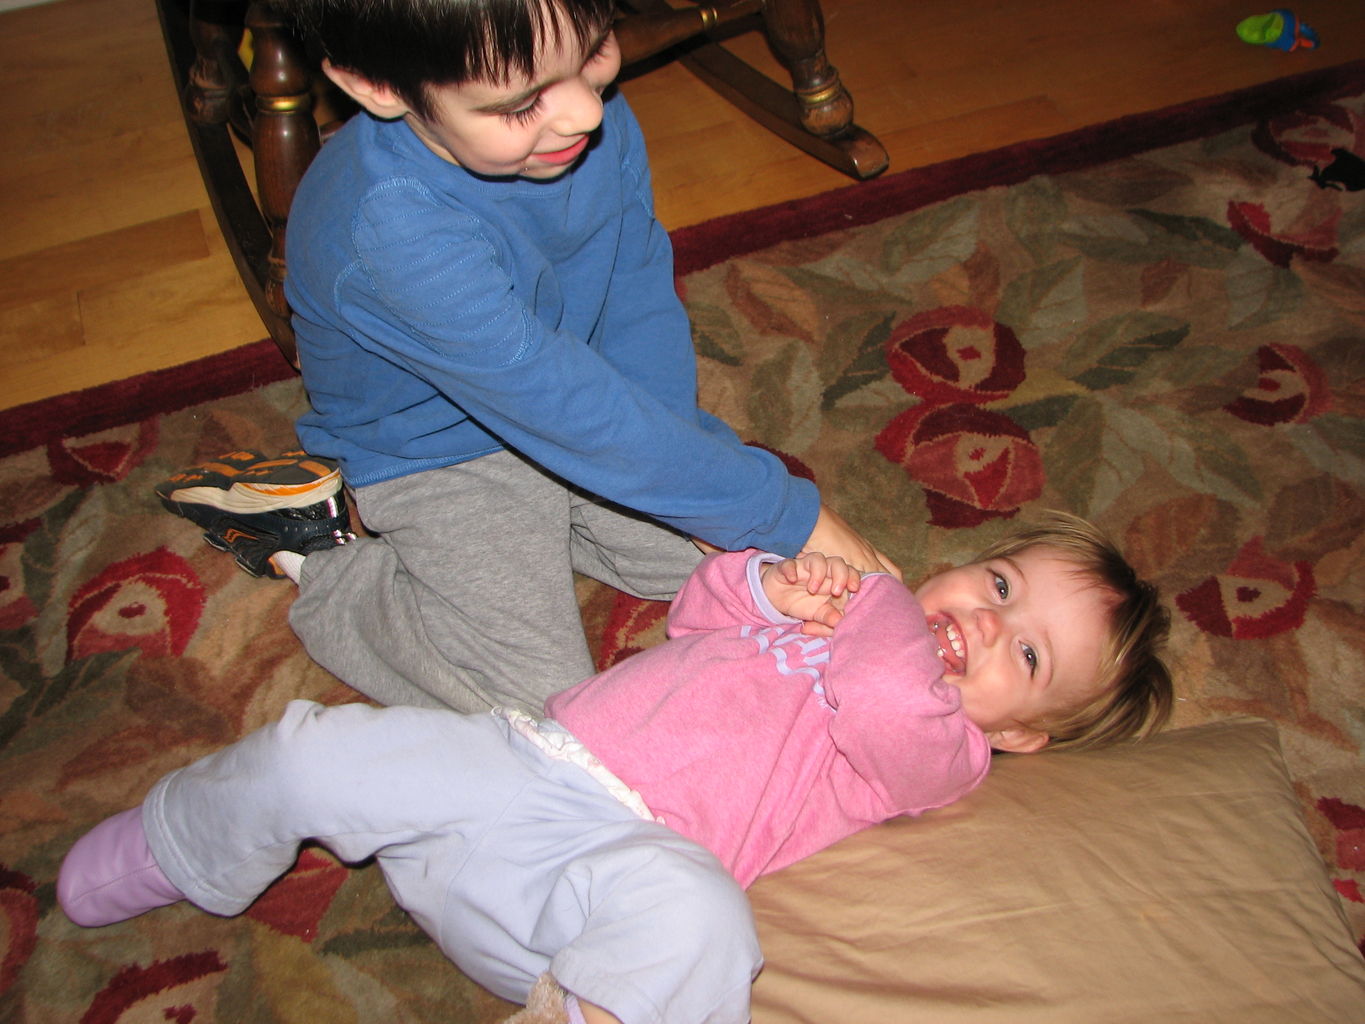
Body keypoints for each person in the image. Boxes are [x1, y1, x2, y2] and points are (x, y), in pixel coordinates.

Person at [59, 513, 1172, 1024]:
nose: (981, 620)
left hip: (596, 895)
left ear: (1025, 730)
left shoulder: (944, 750)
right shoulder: (844, 621)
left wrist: (875, 591)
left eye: (1026, 653)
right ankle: (181, 845)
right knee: (320, 746)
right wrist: (767, 590)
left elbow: (885, 693)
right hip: (523, 762)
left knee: (704, 925)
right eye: (997, 582)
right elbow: (692, 613)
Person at [153, 0, 895, 718]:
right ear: (375, 87)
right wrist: (767, 508)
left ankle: (593, 522)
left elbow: (633, 291)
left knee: (769, 583)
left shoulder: (579, 120)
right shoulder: (393, 227)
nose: (585, 112)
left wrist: (697, 482)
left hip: (571, 393)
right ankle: (322, 557)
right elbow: (555, 401)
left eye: (594, 49)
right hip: (438, 454)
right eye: (520, 103)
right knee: (542, 703)